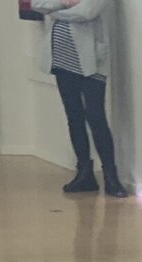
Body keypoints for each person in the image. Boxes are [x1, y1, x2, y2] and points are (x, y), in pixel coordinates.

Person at [32, 0, 128, 198]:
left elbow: (86, 12)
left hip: (92, 60)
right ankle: (84, 173)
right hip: (61, 57)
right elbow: (37, 4)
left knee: (96, 117)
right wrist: (65, 2)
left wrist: (55, 11)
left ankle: (111, 176)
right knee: (74, 116)